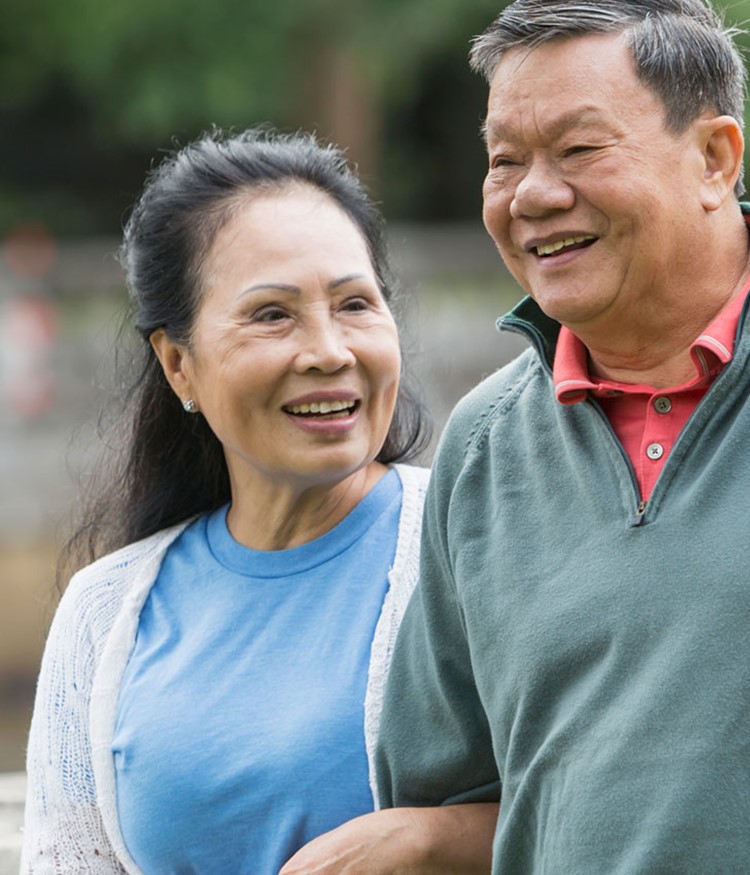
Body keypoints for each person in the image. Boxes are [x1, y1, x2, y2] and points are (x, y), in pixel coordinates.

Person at [20, 128, 495, 874]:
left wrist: (424, 841)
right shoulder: (103, 615)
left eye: (355, 304)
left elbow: (610, 810)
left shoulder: (479, 543)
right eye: (273, 314)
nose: (330, 351)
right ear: (178, 364)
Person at [374, 0, 750, 871]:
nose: (533, 196)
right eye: (505, 161)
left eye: (579, 149)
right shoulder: (484, 444)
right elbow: (444, 804)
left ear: (713, 158)